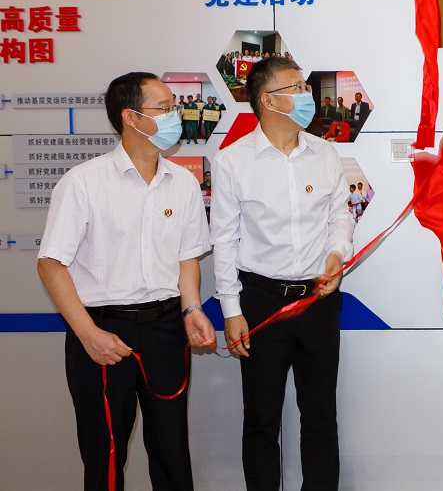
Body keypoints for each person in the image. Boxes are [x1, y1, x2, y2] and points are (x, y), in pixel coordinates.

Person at [36, 72, 215, 491]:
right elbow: (51, 264)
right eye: (164, 108)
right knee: (106, 454)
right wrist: (88, 334)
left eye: (174, 107)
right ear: (130, 117)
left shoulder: (183, 182)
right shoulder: (83, 182)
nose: (176, 116)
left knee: (172, 451)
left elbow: (187, 257)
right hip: (103, 333)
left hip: (166, 330)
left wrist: (191, 308)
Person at [211, 56, 355, 490]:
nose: (307, 95)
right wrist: (232, 311)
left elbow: (341, 215)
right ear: (268, 100)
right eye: (296, 88)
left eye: (304, 87)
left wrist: (337, 254)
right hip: (261, 304)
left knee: (320, 415)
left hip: (317, 302)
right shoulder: (233, 161)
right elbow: (224, 240)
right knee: (261, 420)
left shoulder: (325, 154)